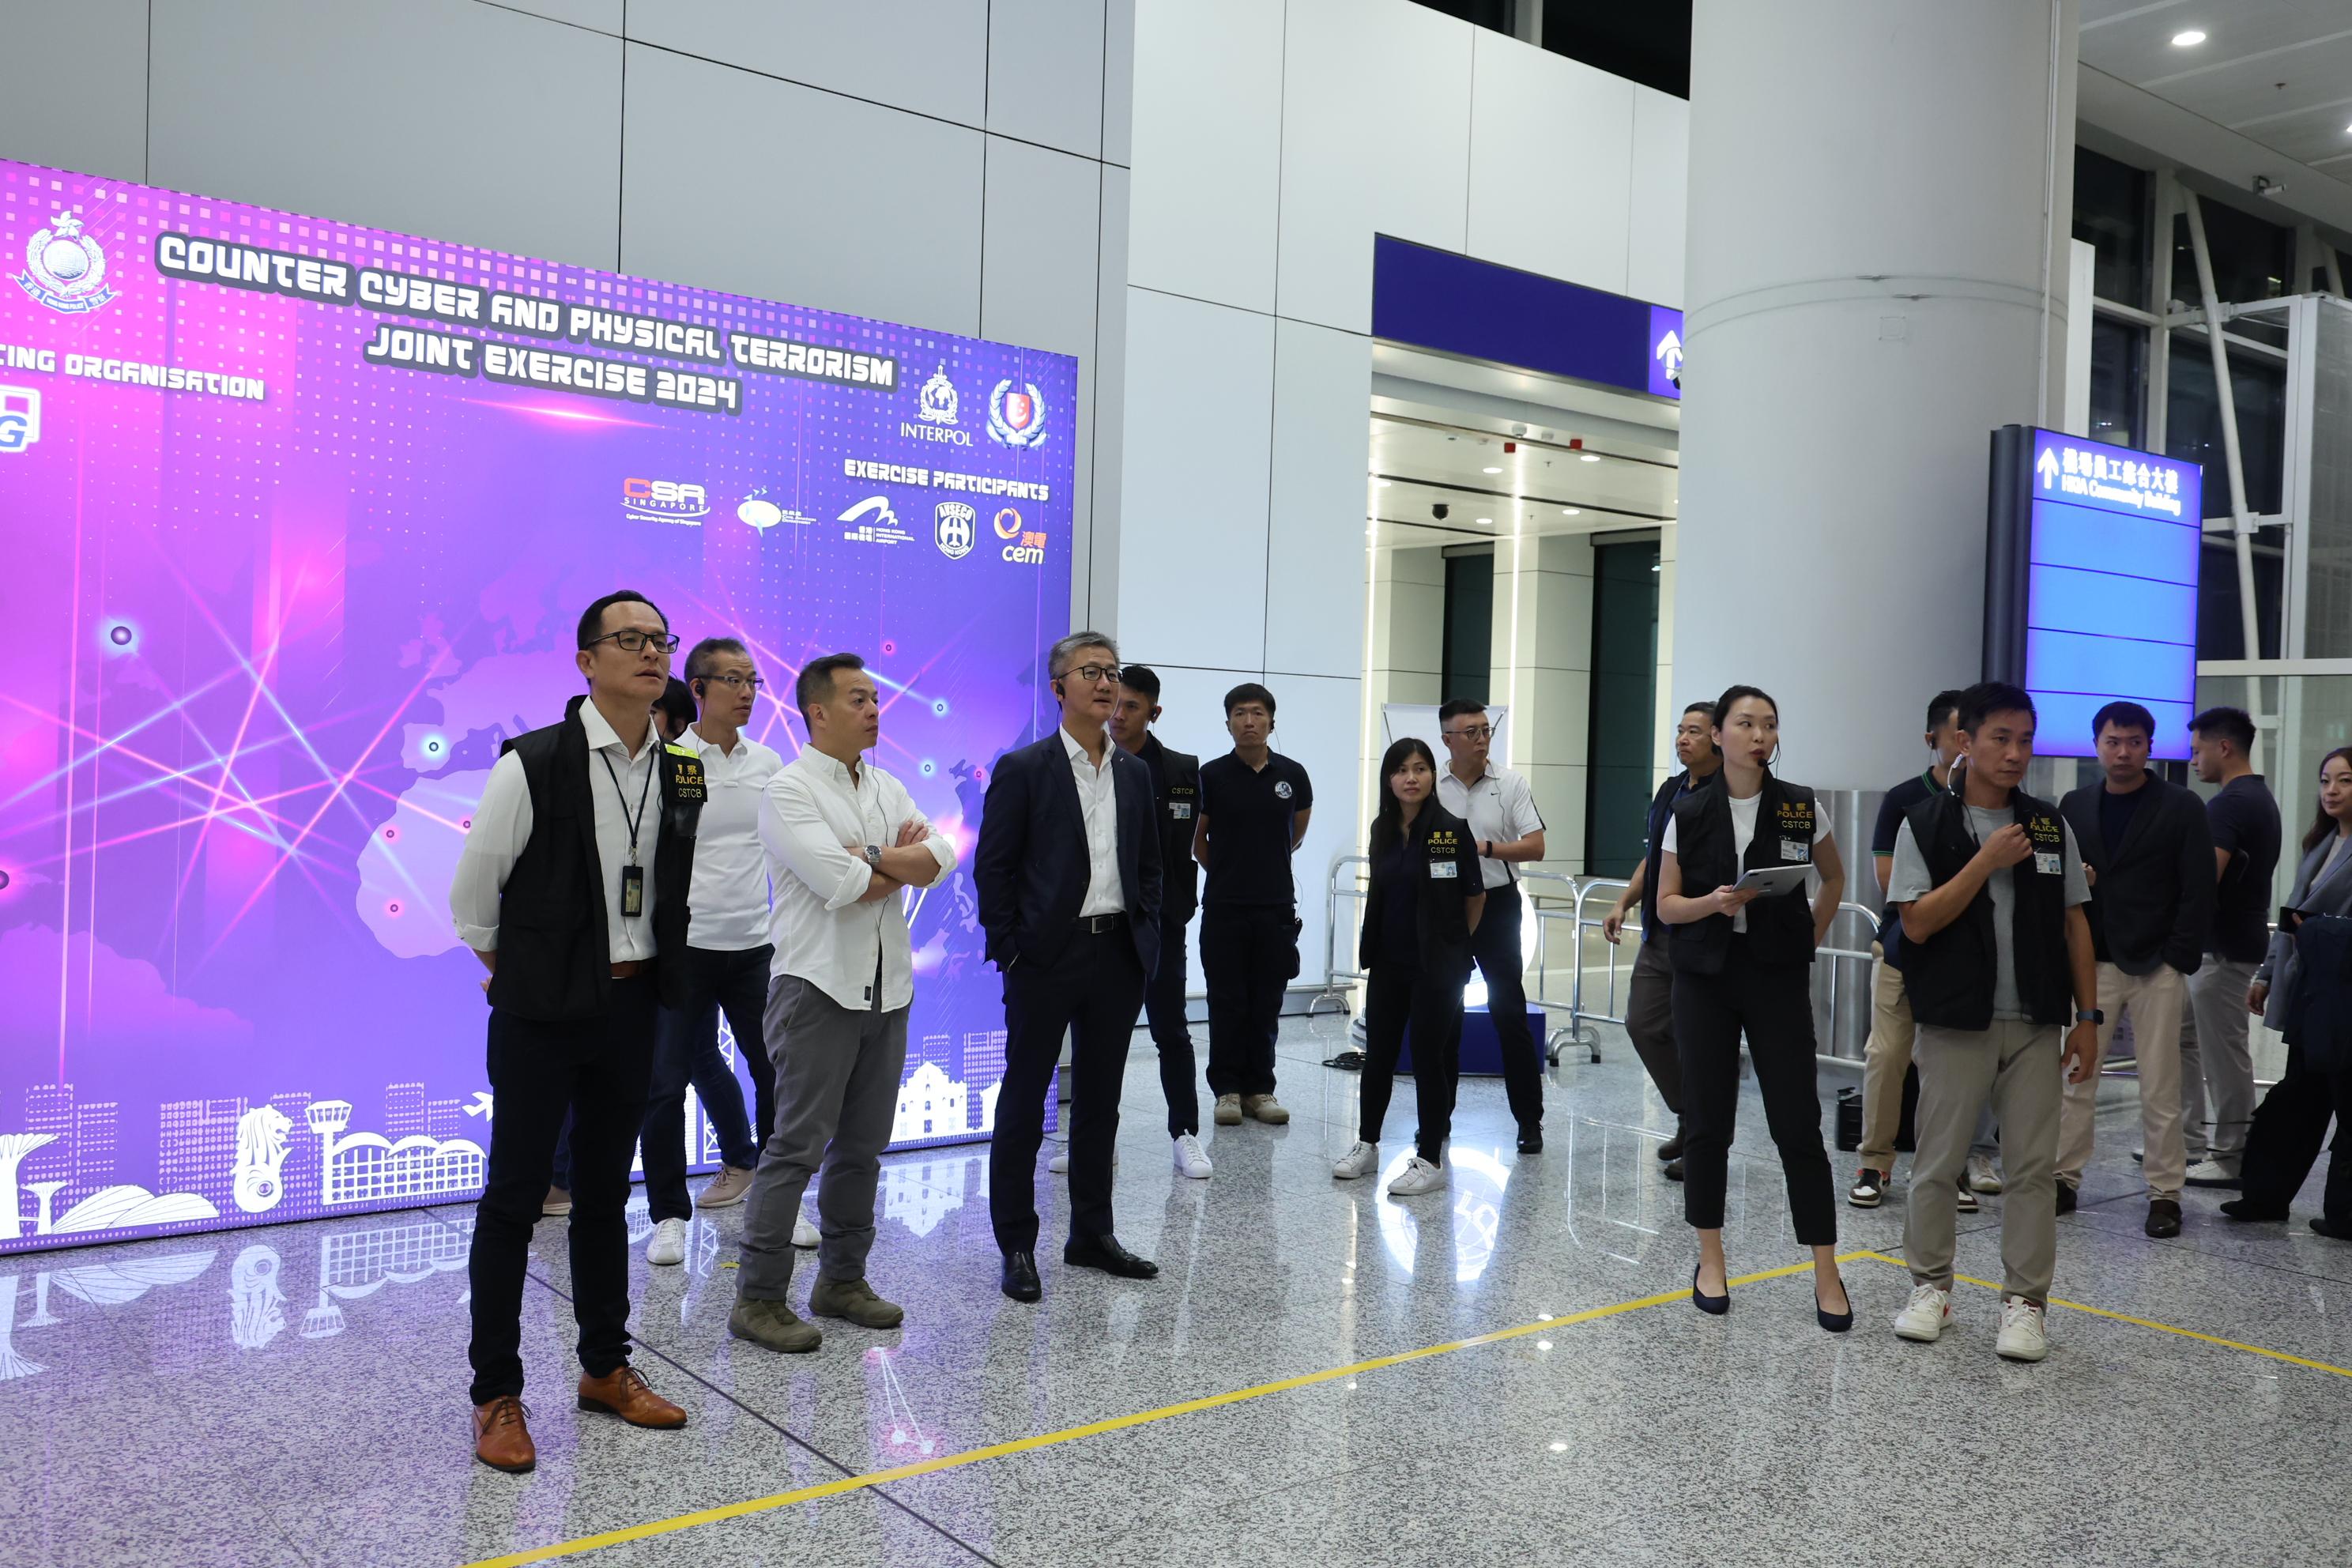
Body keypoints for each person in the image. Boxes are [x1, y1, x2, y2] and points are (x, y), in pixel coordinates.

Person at [447, 590, 699, 1473]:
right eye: (627, 639)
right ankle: (496, 1392)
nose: (648, 651)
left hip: (633, 1006)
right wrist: (519, 973)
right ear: (586, 661)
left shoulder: (679, 768)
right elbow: (472, 901)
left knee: (602, 1196)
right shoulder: (536, 762)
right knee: (515, 1202)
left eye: (658, 639)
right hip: (542, 1013)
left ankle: (604, 1367)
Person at [728, 653, 954, 1355]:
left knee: (862, 1149)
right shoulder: (789, 790)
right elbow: (843, 881)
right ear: (817, 712)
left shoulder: (886, 786)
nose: (874, 710)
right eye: (858, 699)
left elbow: (941, 858)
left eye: (875, 699)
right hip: (816, 988)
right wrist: (889, 865)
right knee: (796, 1148)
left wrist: (873, 854)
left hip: (888, 992)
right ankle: (759, 1298)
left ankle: (841, 1281)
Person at [1883, 682, 2099, 1364]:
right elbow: (1915, 923)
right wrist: (1983, 861)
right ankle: (1931, 1289)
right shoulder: (1924, 823)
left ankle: (2025, 1303)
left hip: (2035, 1021)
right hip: (1955, 1021)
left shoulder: (2047, 824)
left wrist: (2087, 1018)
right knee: (1938, 1165)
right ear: (1964, 741)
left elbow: (2074, 922)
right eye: (2000, 739)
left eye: (2025, 740)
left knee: (2032, 1170)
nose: (2015, 753)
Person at [1655, 685, 1852, 1330]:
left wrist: (1807, 938)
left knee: (1797, 1121)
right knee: (1709, 1121)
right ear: (1719, 735)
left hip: (1775, 975)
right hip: (1705, 977)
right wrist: (1714, 903)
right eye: (1745, 724)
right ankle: (1710, 1258)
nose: (1759, 735)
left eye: (1769, 724)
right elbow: (1666, 906)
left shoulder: (1799, 806)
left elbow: (1835, 877)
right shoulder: (1688, 808)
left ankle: (1826, 1268)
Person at [976, 631, 1164, 1303]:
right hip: (1044, 957)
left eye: (1112, 672)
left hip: (1117, 954)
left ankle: (1092, 1234)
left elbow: (1148, 866)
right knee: (1026, 1102)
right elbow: (993, 869)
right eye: (1091, 672)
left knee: (1100, 1104)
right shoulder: (1025, 767)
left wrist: (1147, 935)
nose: (1106, 683)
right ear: (1059, 688)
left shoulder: (1135, 772)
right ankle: (1018, 1244)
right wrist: (1013, 948)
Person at [637, 640, 785, 1270]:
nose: (747, 692)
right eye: (732, 680)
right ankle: (669, 1215)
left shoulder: (769, 762)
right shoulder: (671, 761)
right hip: (685, 950)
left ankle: (782, 1201)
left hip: (754, 946)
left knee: (775, 1073)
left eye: (753, 680)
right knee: (665, 1085)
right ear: (697, 689)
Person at [2056, 701, 2214, 1238]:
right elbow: (2056, 878)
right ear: (2097, 744)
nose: (2122, 752)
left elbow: (2198, 889)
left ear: (2150, 746)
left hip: (2156, 964)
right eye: (2112, 741)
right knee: (2077, 1075)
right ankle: (2063, 1178)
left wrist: (2178, 957)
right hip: (2091, 959)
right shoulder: (2074, 805)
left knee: (2160, 1084)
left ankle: (2165, 1193)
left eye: (2133, 742)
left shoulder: (2181, 805)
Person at [1849, 691, 2003, 1213]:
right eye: (1955, 736)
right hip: (1902, 948)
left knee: (1951, 1066)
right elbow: (1891, 882)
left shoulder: (1993, 806)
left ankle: (1949, 1168)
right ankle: (1875, 1162)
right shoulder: (1903, 799)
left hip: (1964, 957)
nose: (1964, 747)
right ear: (1933, 740)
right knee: (1887, 1055)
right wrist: (1961, 882)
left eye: (1972, 736)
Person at [1333, 738, 1484, 1195]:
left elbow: (1474, 897)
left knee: (1428, 1058)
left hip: (1436, 966)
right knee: (1377, 1056)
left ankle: (1430, 1159)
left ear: (1433, 776)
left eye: (1420, 769)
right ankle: (1368, 1144)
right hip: (1389, 961)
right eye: (1401, 770)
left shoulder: (1450, 829)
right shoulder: (1382, 828)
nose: (1411, 778)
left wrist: (1454, 946)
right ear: (1389, 779)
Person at [2222, 746, 2352, 1236]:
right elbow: (2292, 917)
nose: (2332, 791)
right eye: (2325, 781)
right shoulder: (2319, 844)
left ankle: (2341, 1210)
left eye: (2344, 780)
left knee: (2336, 1096)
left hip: (2343, 995)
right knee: (2298, 1094)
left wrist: (2313, 928)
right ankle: (2266, 1196)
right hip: (2310, 992)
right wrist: (2265, 975)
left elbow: (2305, 921)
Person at [1603, 701, 1719, 1182]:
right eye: (1680, 731)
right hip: (1659, 935)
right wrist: (1624, 902)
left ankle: (1705, 1138)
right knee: (1643, 1025)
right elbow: (1653, 857)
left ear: (1716, 737)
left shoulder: (1726, 795)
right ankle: (1691, 1117)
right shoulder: (1671, 791)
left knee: (1700, 1043)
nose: (1682, 739)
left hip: (1703, 938)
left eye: (1693, 731)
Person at [1106, 665, 1212, 1179]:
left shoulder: (1181, 771)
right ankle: (1098, 1138)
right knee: (1103, 1033)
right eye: (1114, 704)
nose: (1119, 715)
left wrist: (1179, 909)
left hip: (1162, 921)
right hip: (1100, 921)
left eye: (1131, 706)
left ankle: (1185, 1134)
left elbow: (1187, 847)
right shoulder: (1089, 764)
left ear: (1154, 712)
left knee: (1171, 1029)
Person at [1195, 683, 1313, 1128]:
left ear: (1271, 722)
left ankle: (1260, 1088)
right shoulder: (1211, 775)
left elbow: (1295, 834)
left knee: (1267, 1001)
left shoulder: (1293, 775)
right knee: (1227, 1001)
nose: (1249, 721)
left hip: (1276, 906)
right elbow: (1198, 842)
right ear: (1228, 723)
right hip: (1225, 906)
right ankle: (1226, 1090)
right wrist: (1227, 871)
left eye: (1258, 713)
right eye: (1240, 713)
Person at [1434, 698, 1548, 1152]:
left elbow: (1535, 846)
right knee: (1445, 1015)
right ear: (1448, 740)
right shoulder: (1431, 782)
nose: (1482, 739)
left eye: (1486, 730)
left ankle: (1529, 1122)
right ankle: (1437, 1119)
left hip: (1499, 906)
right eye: (1471, 732)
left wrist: (1481, 848)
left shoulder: (1511, 782)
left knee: (1509, 1013)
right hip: (1445, 907)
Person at [2180, 706, 2280, 1188]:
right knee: (2187, 1041)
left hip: (2222, 950)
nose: (2194, 761)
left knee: (2224, 1053)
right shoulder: (2257, 796)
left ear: (2224, 747)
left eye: (2198, 750)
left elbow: (2204, 879)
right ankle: (2188, 1141)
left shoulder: (2228, 805)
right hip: (2227, 945)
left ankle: (2232, 1155)